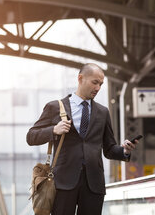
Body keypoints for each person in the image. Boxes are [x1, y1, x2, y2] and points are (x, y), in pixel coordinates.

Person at [26, 63, 138, 215]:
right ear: (80, 79)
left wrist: (124, 150)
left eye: (101, 84)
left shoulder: (103, 112)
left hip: (94, 184)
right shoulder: (55, 107)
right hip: (63, 183)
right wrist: (54, 130)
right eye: (95, 82)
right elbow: (31, 136)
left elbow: (109, 149)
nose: (98, 88)